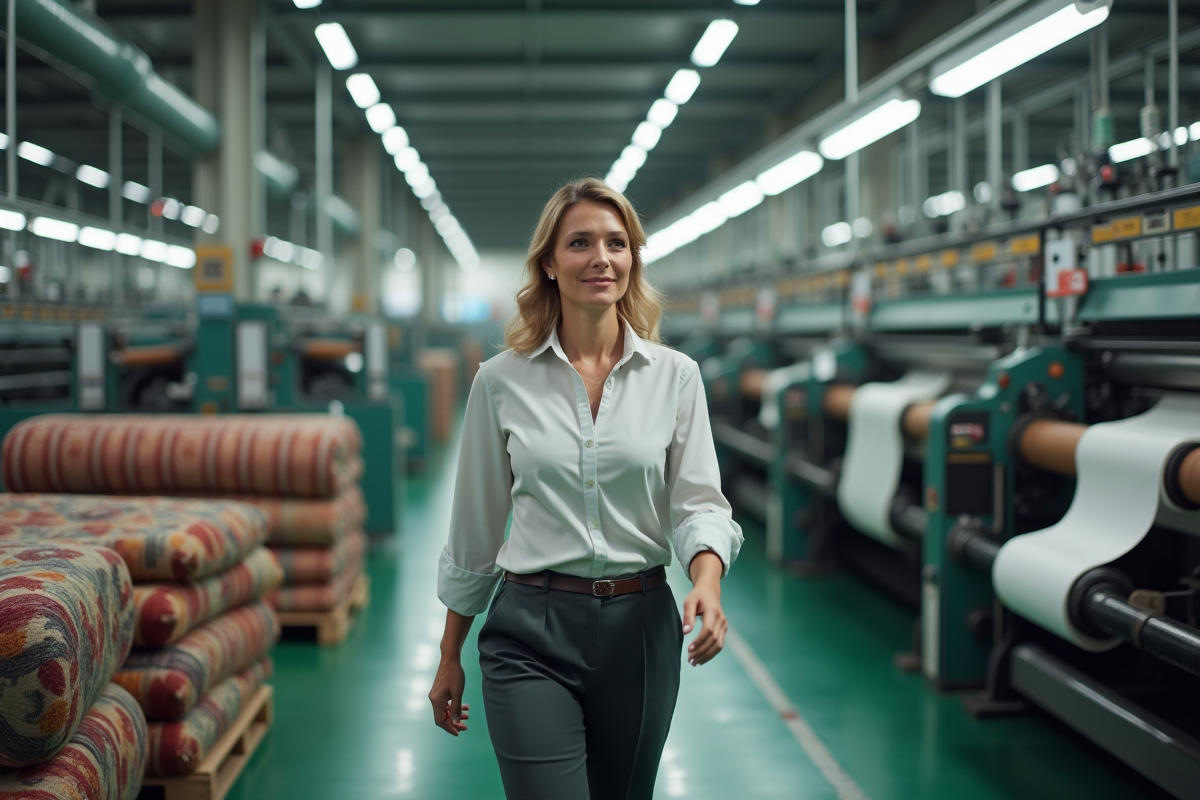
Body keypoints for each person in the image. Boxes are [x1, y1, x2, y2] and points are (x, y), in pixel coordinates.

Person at [428, 178, 743, 800]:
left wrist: (706, 583)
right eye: (580, 242)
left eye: (616, 243)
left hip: (641, 630)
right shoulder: (500, 382)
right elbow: (476, 530)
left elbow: (700, 503)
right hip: (530, 630)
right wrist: (448, 656)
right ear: (549, 263)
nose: (601, 257)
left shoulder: (677, 378)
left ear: (632, 260)